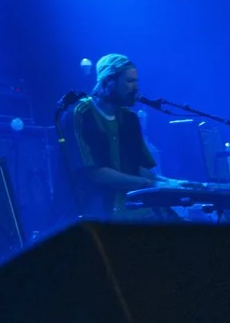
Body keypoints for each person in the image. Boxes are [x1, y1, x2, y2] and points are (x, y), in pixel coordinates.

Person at [58, 55, 162, 219]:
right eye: (129, 81)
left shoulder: (130, 118)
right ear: (107, 82)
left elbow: (142, 167)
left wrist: (168, 184)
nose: (135, 87)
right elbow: (95, 174)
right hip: (97, 213)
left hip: (133, 208)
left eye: (136, 81)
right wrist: (145, 184)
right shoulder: (80, 114)